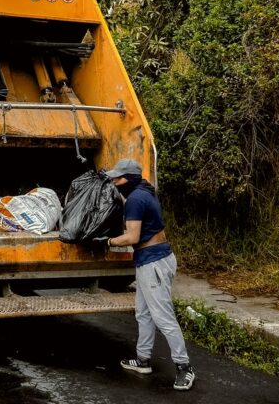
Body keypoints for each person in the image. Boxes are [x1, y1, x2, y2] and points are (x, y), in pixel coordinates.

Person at [95, 158, 195, 391]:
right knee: (143, 313)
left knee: (163, 318)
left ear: (128, 179)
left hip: (154, 263)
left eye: (117, 178)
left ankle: (184, 367)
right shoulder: (143, 190)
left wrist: (108, 241)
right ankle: (143, 360)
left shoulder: (136, 199)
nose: (114, 182)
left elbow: (132, 237)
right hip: (151, 260)